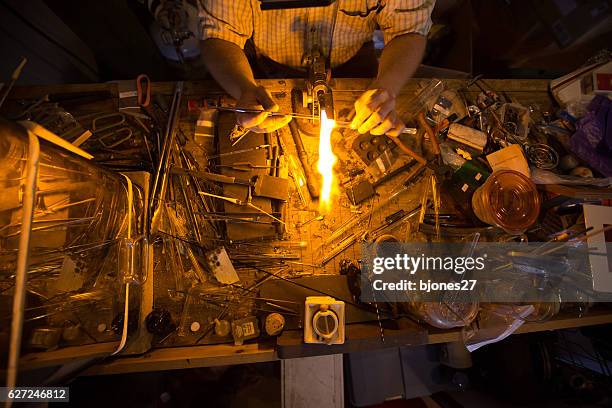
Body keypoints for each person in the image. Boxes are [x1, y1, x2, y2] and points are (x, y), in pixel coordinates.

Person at [199, 0, 435, 137]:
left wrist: (386, 88)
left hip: (353, 61)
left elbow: (409, 32)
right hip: (267, 70)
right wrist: (243, 87)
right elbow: (219, 34)